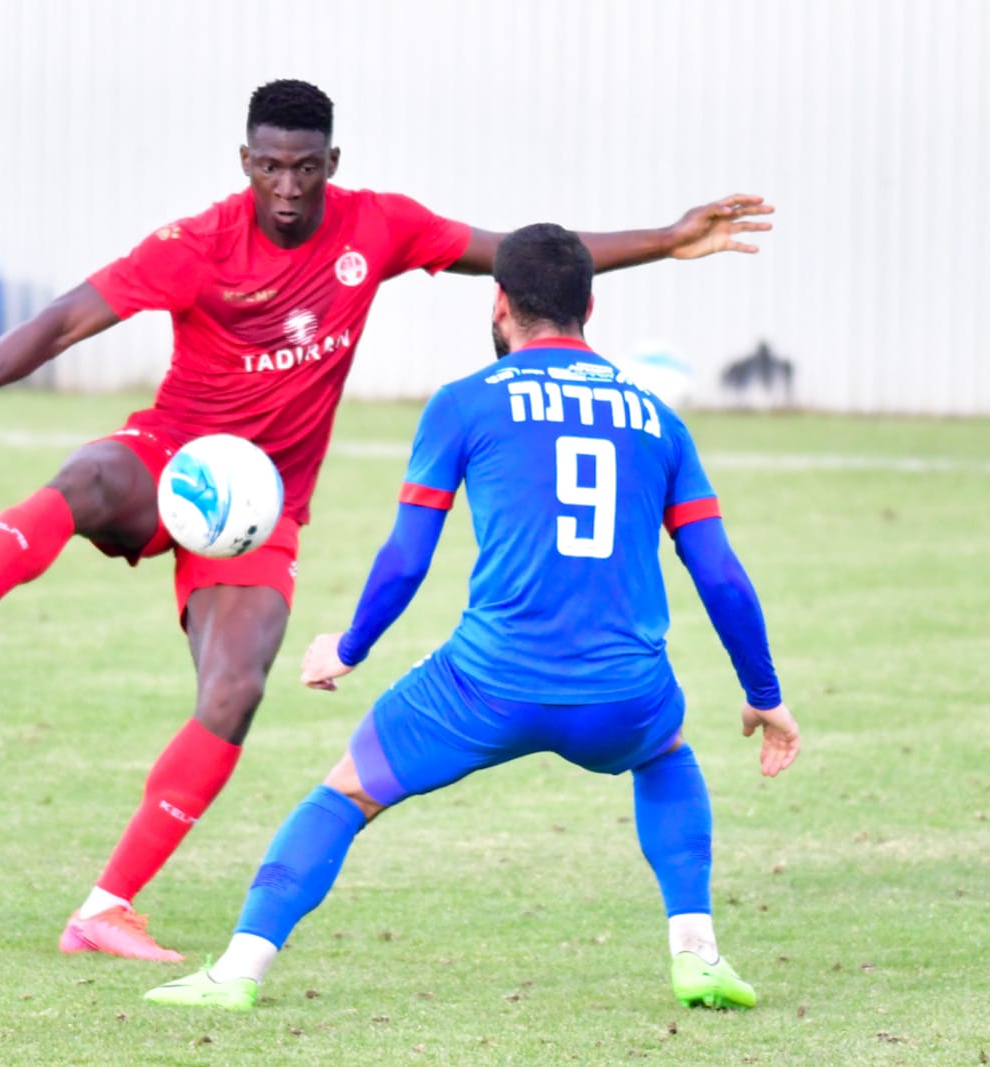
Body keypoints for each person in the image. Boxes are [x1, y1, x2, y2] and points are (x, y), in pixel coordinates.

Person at [0, 80, 777, 963]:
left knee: (233, 693)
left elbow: (521, 258)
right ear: (245, 162)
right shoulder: (194, 245)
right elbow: (66, 318)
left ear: (331, 164)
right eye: (269, 167)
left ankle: (105, 909)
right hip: (173, 459)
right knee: (87, 474)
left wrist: (668, 237)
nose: (285, 187)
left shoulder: (375, 226)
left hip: (262, 510)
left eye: (304, 169)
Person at [143, 222, 800, 1014]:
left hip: (485, 683)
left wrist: (348, 648)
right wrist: (763, 692)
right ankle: (696, 953)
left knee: (345, 793)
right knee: (666, 754)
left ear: (499, 305)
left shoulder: (464, 403)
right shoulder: (658, 419)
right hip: (622, 692)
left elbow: (407, 556)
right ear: (589, 305)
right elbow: (720, 573)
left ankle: (238, 970)